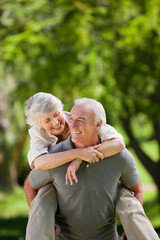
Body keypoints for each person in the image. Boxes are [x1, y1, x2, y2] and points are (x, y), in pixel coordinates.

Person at [26, 97, 159, 240]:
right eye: (46, 120)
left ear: (99, 125)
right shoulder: (52, 157)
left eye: (81, 121)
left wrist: (131, 229)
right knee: (45, 193)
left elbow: (136, 187)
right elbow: (34, 176)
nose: (73, 126)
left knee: (124, 195)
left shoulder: (119, 155)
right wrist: (78, 154)